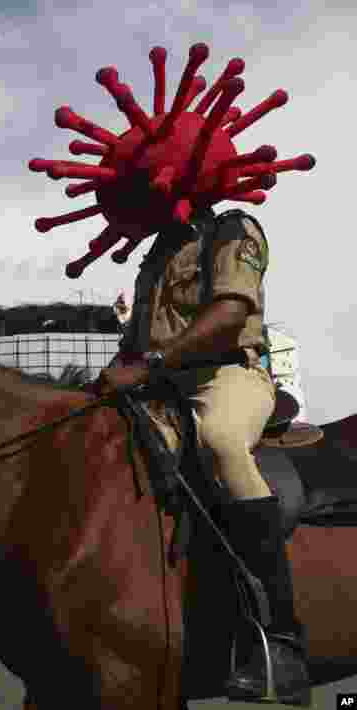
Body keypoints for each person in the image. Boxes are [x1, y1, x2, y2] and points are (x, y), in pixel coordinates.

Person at [97, 206, 309, 704]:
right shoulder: (155, 255)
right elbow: (135, 342)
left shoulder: (231, 229)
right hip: (161, 384)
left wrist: (148, 364)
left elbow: (231, 313)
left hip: (228, 373)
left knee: (219, 440)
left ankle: (279, 641)